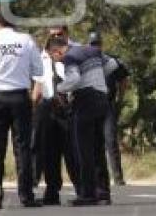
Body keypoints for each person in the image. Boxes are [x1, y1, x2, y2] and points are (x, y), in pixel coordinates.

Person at [0, 11, 44, 209]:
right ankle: (26, 196)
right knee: (22, 148)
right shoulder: (26, 40)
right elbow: (39, 70)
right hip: (20, 97)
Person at [57, 35, 120, 206]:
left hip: (85, 100)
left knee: (82, 150)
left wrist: (60, 88)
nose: (58, 61)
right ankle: (103, 193)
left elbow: (74, 79)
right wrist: (98, 76)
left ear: (58, 51)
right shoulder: (92, 50)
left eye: (54, 57)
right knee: (98, 148)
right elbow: (113, 64)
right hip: (102, 99)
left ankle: (87, 194)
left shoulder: (70, 57)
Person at [31, 26, 81, 205]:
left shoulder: (74, 54)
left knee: (72, 152)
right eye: (53, 35)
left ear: (67, 35)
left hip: (68, 108)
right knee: (49, 153)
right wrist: (33, 107)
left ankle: (82, 190)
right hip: (47, 108)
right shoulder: (43, 57)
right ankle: (52, 191)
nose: (57, 37)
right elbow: (38, 84)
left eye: (60, 35)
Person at [89, 31, 130, 186]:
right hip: (91, 106)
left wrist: (120, 98)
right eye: (93, 45)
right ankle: (96, 177)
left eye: (97, 44)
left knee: (110, 141)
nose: (95, 47)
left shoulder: (111, 62)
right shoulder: (86, 63)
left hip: (107, 105)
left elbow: (124, 79)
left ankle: (118, 177)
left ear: (101, 45)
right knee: (93, 142)